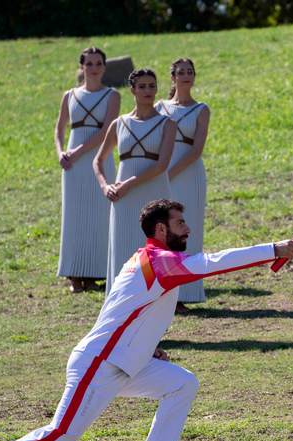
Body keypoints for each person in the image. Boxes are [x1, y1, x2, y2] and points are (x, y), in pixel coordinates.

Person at [0, 199, 293, 441]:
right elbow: (212, 263)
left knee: (181, 384)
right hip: (100, 364)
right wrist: (273, 249)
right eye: (180, 223)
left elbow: (123, 313)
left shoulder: (147, 260)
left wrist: (145, 347)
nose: (188, 229)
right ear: (160, 230)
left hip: (123, 362)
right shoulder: (158, 261)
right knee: (60, 435)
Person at [95, 68, 176, 295]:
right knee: (124, 246)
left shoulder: (167, 124)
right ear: (132, 89)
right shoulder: (118, 124)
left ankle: (157, 299)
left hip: (154, 192)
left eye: (151, 86)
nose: (147, 91)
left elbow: (161, 165)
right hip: (123, 197)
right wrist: (105, 185)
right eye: (142, 86)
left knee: (156, 245)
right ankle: (121, 298)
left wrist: (129, 183)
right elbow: (98, 161)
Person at [55, 47, 120, 293]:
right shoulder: (69, 95)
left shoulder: (112, 95)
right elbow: (59, 127)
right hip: (71, 163)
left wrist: (78, 152)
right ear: (82, 67)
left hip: (98, 158)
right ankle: (74, 274)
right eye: (89, 64)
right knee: (74, 216)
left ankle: (95, 273)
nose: (93, 68)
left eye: (98, 63)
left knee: (99, 214)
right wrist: (61, 152)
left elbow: (106, 131)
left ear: (104, 67)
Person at [155, 58, 211, 313]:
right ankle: (162, 291)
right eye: (181, 72)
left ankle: (184, 292)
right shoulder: (160, 107)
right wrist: (160, 173)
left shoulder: (201, 109)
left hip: (189, 175)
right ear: (173, 77)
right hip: (163, 172)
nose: (186, 76)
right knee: (163, 231)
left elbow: (196, 150)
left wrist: (170, 173)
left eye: (190, 72)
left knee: (188, 231)